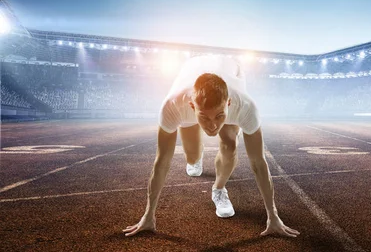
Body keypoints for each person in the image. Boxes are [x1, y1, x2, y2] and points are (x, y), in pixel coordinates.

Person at [123, 56, 299, 238]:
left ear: (228, 103)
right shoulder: (173, 105)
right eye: (205, 118)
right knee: (191, 157)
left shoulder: (245, 107)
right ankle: (195, 158)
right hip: (190, 71)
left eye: (219, 116)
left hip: (231, 70)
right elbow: (162, 162)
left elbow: (258, 163)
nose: (213, 125)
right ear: (192, 106)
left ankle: (219, 189)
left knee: (230, 144)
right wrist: (148, 214)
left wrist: (273, 215)